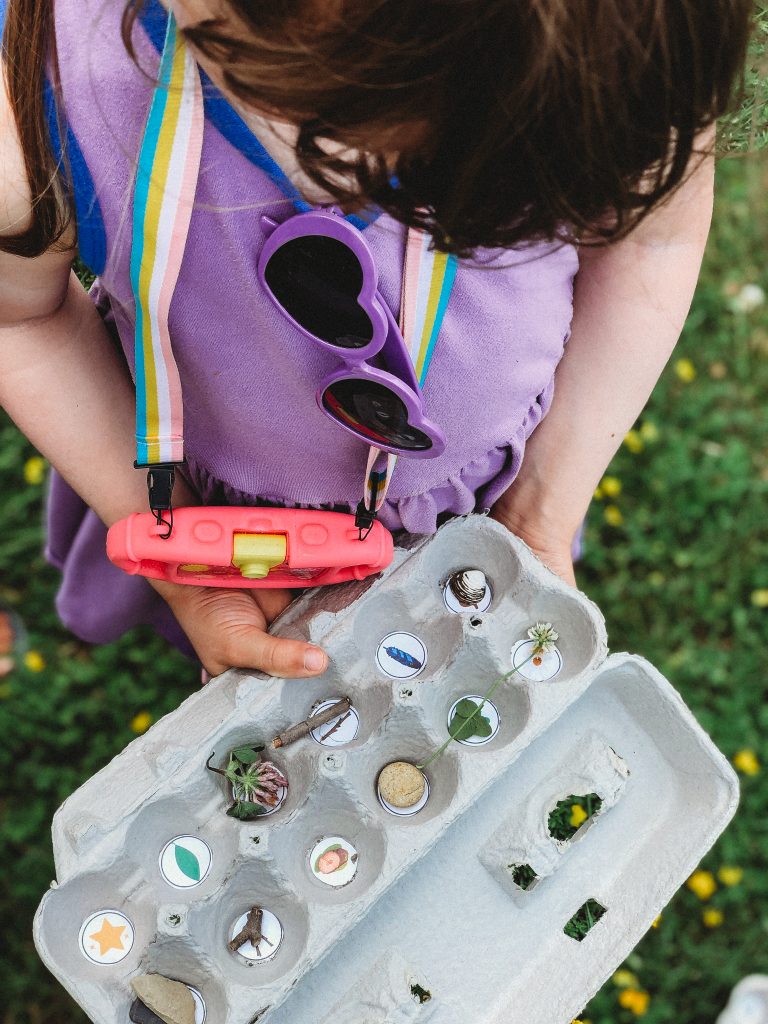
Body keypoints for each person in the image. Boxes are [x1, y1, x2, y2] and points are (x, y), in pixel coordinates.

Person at [0, 0, 752, 679]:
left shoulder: (613, 41)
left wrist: (540, 514)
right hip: (219, 511)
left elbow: (650, 245)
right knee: (275, 662)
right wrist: (197, 578)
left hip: (493, 486)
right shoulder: (36, 85)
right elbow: (23, 316)